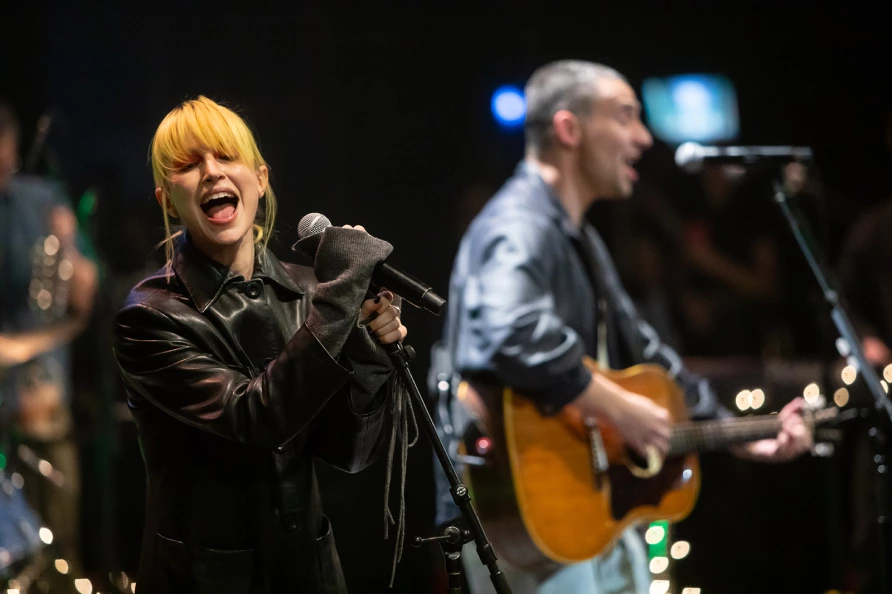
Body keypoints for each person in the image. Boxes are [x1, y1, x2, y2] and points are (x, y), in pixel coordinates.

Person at [444, 61, 813, 594]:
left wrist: (740, 435)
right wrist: (616, 407)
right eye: (626, 118)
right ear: (569, 130)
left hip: (586, 518)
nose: (644, 139)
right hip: (532, 516)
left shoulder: (578, 235)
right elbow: (509, 329)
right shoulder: (518, 225)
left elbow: (649, 353)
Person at [111, 96, 406, 593]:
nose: (211, 172)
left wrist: (368, 353)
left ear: (261, 178)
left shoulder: (309, 291)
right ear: (167, 199)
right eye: (189, 164)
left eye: (225, 156)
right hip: (205, 580)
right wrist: (338, 307)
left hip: (309, 572)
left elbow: (350, 453)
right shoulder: (150, 316)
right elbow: (256, 417)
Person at [0, 97, 98, 580]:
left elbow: (84, 291)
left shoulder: (39, 198)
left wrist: (73, 253)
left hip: (40, 396)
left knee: (60, 550)